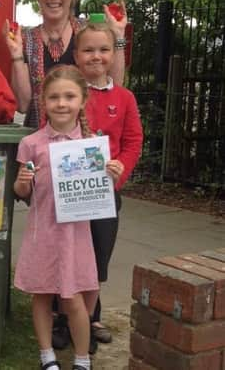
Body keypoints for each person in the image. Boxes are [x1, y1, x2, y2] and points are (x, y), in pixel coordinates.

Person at [13, 65, 122, 370]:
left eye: (69, 96)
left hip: (75, 235)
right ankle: (47, 356)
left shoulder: (91, 145)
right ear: (43, 101)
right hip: (43, 232)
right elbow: (22, 191)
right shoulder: (31, 144)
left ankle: (82, 359)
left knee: (73, 298)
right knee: (42, 295)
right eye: (54, 97)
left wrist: (112, 172)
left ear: (82, 100)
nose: (62, 103)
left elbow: (100, 192)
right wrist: (22, 180)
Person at [74, 22, 143, 344]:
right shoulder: (68, 91)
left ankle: (92, 317)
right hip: (71, 195)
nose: (96, 56)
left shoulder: (124, 97)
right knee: (71, 254)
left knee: (98, 256)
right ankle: (65, 316)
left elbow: (133, 141)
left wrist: (121, 172)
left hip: (105, 194)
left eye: (103, 49)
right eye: (88, 50)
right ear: (76, 55)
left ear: (113, 54)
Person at [3, 0, 127, 129]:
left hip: (86, 141)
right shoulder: (26, 39)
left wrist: (118, 36)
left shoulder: (89, 31)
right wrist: (16, 56)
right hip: (40, 142)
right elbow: (23, 105)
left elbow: (114, 85)